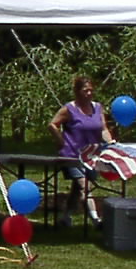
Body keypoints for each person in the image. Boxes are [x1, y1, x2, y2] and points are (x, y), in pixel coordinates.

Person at [48, 75, 113, 227]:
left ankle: (66, 217)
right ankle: (96, 220)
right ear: (77, 92)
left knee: (77, 189)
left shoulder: (97, 108)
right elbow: (52, 124)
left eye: (91, 90)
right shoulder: (69, 109)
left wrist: (110, 142)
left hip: (91, 155)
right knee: (84, 186)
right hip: (72, 155)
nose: (89, 93)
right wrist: (61, 141)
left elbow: (103, 128)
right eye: (85, 91)